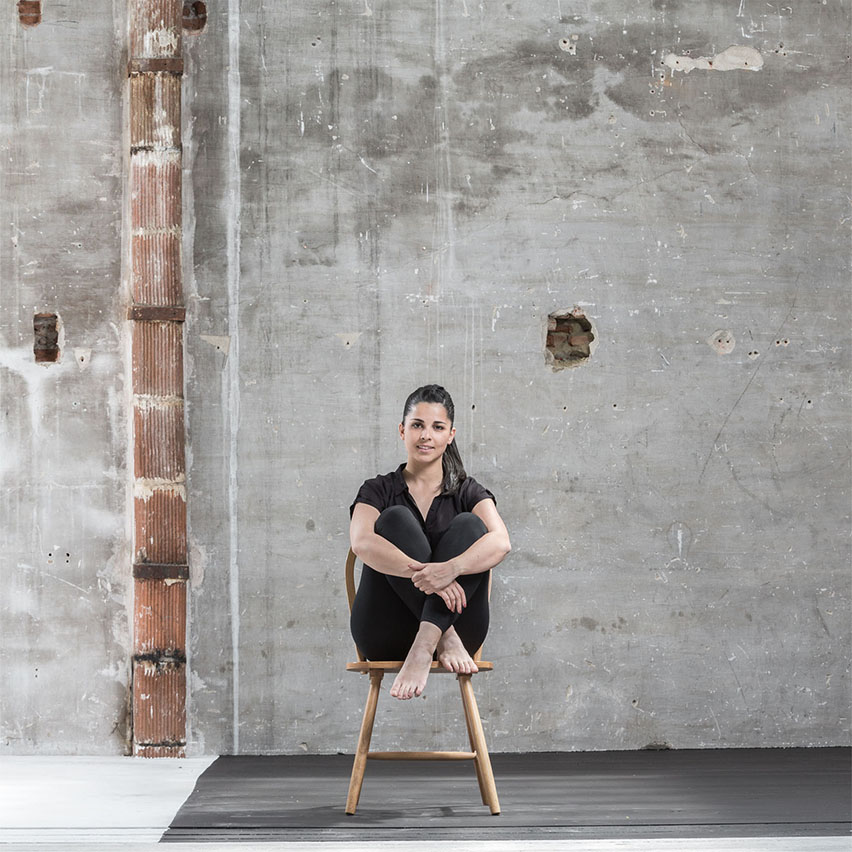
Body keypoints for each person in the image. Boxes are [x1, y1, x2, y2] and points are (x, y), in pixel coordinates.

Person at [349, 385, 511, 700]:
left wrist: (451, 569)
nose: (426, 435)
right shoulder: (377, 490)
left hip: (463, 629)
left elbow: (501, 542)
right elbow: (362, 543)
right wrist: (429, 578)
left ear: (450, 434)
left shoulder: (468, 491)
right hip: (387, 630)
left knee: (470, 526)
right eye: (417, 425)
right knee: (394, 519)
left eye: (437, 427)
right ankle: (440, 636)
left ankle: (427, 643)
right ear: (402, 430)